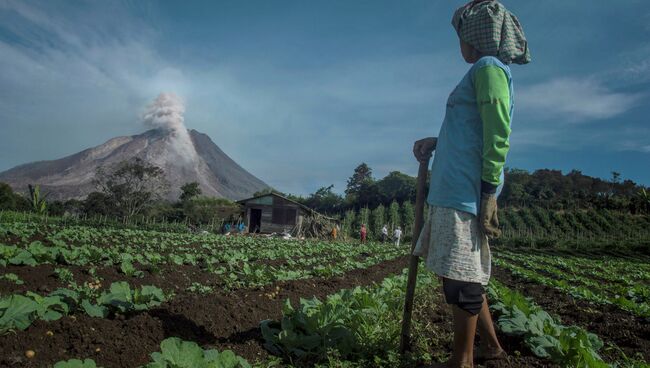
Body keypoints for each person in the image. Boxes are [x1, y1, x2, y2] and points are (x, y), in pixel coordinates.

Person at [412, 1, 530, 367]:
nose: (459, 44)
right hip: (457, 188)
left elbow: (498, 133)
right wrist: (437, 141)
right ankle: (492, 348)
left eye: (461, 36)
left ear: (474, 36)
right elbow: (474, 130)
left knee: (461, 280)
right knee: (461, 272)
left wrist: (488, 188)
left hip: (464, 191)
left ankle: (461, 362)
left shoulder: (488, 67)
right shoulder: (485, 71)